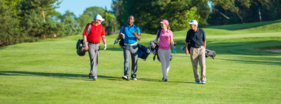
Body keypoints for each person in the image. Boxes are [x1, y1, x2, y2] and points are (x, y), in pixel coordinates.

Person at [83, 14, 107, 81]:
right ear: (96, 20)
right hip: (90, 45)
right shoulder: (89, 25)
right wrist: (85, 45)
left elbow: (103, 36)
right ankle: (94, 75)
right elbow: (85, 35)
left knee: (96, 61)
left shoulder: (101, 26)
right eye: (100, 20)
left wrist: (105, 44)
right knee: (93, 59)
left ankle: (91, 74)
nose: (101, 22)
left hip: (98, 45)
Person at [117, 15, 141, 81]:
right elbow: (119, 37)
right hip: (126, 46)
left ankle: (133, 75)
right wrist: (120, 36)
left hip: (134, 46)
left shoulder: (136, 28)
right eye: (128, 19)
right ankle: (126, 75)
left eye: (131, 19)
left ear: (133, 20)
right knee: (126, 61)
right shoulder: (124, 27)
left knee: (134, 62)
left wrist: (135, 35)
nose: (129, 20)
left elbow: (139, 38)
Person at [185, 20, 207, 84]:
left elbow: (204, 41)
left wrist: (204, 48)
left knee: (202, 64)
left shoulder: (201, 31)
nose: (190, 26)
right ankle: (197, 79)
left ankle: (203, 79)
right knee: (195, 65)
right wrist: (186, 49)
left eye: (191, 25)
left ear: (195, 25)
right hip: (193, 49)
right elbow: (187, 41)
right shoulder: (189, 32)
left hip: (201, 49)